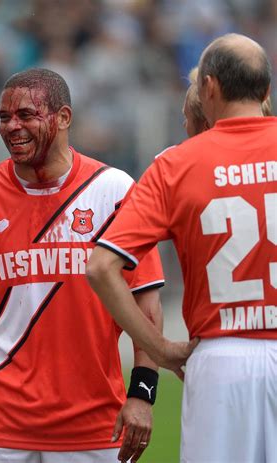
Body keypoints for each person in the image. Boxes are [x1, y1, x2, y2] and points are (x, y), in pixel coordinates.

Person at [0, 68, 165, 463]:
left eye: (26, 115)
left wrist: (142, 393)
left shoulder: (114, 190)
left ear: (64, 117)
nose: (12, 127)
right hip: (0, 419)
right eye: (4, 117)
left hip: (96, 420)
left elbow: (146, 303)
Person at [87, 33, 277, 462]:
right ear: (266, 91)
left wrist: (158, 348)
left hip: (220, 359)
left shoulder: (177, 163)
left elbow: (101, 268)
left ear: (208, 87)